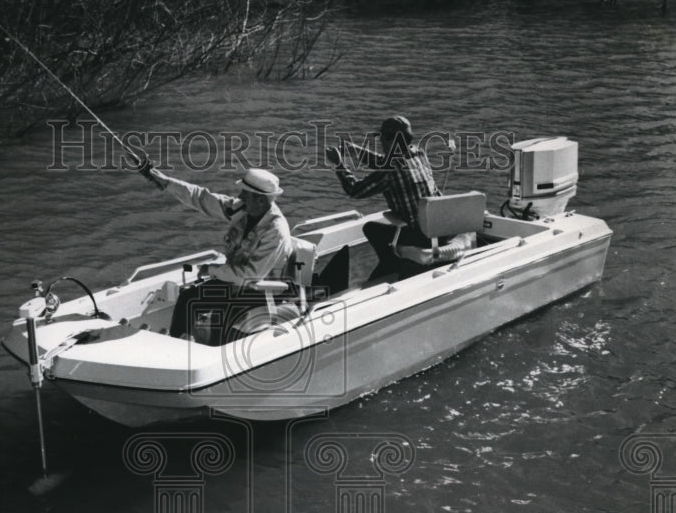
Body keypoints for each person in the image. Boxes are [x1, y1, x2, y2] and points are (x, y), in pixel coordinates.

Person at [136, 160, 293, 344]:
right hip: (236, 282)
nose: (240, 196)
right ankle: (178, 346)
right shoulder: (242, 209)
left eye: (245, 194)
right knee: (188, 298)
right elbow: (201, 198)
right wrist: (165, 182)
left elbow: (251, 275)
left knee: (224, 315)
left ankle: (213, 354)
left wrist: (212, 270)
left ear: (260, 200)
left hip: (261, 289)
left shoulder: (276, 231)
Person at [325, 115, 465, 280]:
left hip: (422, 236)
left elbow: (355, 190)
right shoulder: (419, 153)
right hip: (440, 228)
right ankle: (398, 263)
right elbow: (383, 161)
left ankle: (392, 265)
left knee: (371, 229)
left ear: (391, 141)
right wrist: (356, 151)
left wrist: (340, 164)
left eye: (382, 138)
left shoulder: (390, 171)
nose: (380, 142)